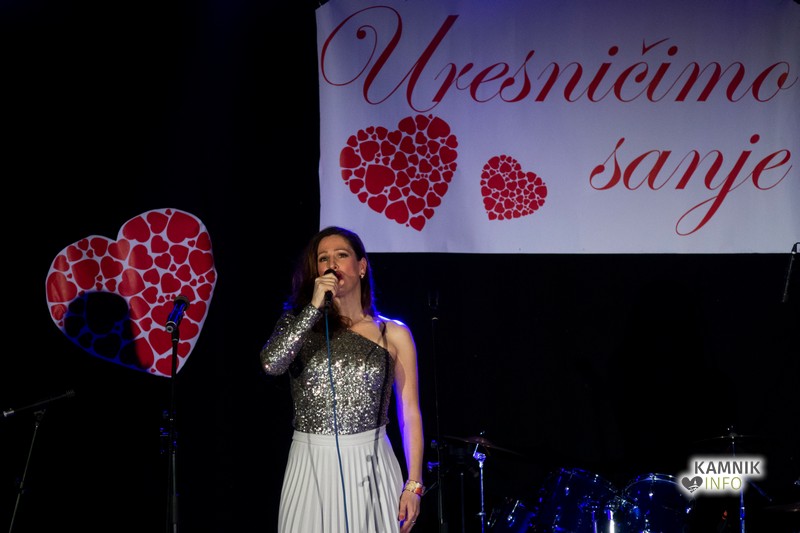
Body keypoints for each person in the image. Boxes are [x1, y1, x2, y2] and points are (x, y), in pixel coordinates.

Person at [260, 226, 425, 533]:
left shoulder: (393, 333)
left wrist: (413, 484)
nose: (332, 264)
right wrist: (312, 308)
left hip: (372, 463)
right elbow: (271, 364)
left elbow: (410, 413)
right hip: (311, 462)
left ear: (361, 267)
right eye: (323, 258)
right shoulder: (297, 325)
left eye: (341, 255)